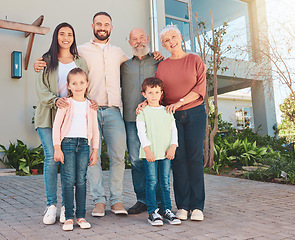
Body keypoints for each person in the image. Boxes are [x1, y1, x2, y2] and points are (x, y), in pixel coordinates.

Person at [35, 13, 163, 217]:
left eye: (106, 24)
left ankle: (117, 200)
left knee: (118, 157)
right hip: (89, 111)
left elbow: (137, 60)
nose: (102, 27)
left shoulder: (119, 53)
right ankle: (99, 201)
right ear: (92, 26)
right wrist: (41, 63)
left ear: (111, 27)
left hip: (113, 111)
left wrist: (155, 54)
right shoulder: (81, 52)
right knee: (92, 158)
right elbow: (63, 60)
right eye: (98, 24)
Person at [34, 22, 89, 225]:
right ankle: (51, 205)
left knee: (67, 160)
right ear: (56, 37)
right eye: (62, 34)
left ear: (73, 38)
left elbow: (85, 87)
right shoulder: (46, 60)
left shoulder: (80, 62)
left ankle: (67, 206)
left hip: (70, 120)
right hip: (48, 116)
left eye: (70, 34)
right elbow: (40, 90)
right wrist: (55, 100)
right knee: (51, 157)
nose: (66, 37)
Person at [156, 24, 207, 221]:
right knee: (178, 159)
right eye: (167, 40)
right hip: (172, 116)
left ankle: (197, 207)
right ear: (163, 45)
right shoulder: (162, 66)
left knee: (194, 158)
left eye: (174, 37)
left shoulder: (194, 60)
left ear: (180, 37)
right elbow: (159, 92)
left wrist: (180, 102)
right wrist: (146, 104)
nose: (171, 42)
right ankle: (183, 206)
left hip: (194, 113)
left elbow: (200, 87)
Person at [121, 28, 161, 214]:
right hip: (131, 118)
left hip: (154, 118)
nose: (138, 42)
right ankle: (142, 200)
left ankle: (160, 200)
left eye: (141, 38)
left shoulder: (158, 61)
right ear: (129, 42)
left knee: (156, 158)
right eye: (134, 39)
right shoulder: (123, 66)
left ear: (147, 39)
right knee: (136, 160)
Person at [53, 68, 99, 231]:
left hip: (84, 146)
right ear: (69, 86)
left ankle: (80, 216)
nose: (78, 86)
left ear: (86, 84)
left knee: (81, 180)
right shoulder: (66, 103)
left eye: (81, 82)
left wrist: (95, 150)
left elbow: (95, 129)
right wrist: (57, 148)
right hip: (68, 144)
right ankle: (68, 217)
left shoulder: (90, 105)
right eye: (74, 83)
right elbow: (56, 126)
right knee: (68, 180)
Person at [136, 77, 181, 226]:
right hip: (151, 153)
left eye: (157, 92)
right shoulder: (143, 112)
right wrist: (147, 150)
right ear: (144, 94)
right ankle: (153, 212)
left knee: (165, 183)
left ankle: (167, 210)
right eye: (150, 92)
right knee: (151, 182)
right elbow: (141, 133)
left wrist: (173, 146)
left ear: (161, 93)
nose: (154, 95)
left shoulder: (167, 111)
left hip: (166, 153)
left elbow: (174, 130)